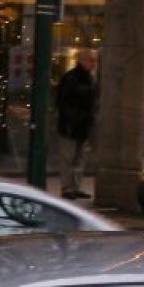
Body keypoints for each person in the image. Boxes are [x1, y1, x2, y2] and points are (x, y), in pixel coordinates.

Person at [56, 49, 98, 199]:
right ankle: (67, 187)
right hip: (71, 125)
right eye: (91, 60)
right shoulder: (71, 78)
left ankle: (74, 186)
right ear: (82, 60)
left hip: (83, 125)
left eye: (94, 61)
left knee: (79, 158)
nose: (93, 64)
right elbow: (62, 102)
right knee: (68, 158)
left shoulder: (90, 79)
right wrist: (70, 119)